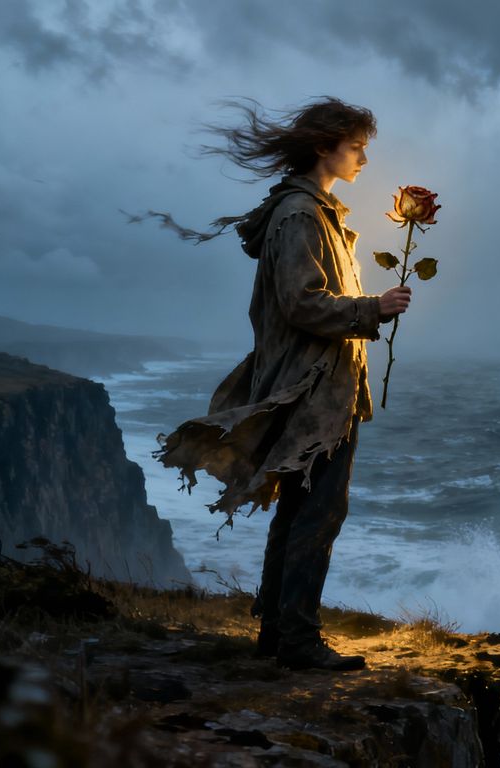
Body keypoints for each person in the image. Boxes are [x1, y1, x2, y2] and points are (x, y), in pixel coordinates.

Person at [153, 97, 412, 671]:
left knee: (300, 508)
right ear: (325, 147)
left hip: (317, 386)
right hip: (312, 392)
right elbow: (301, 302)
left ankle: (277, 633)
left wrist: (366, 310)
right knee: (319, 511)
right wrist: (375, 307)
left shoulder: (312, 212)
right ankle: (296, 640)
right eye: (357, 146)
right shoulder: (300, 214)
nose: (365, 158)